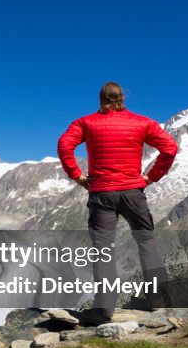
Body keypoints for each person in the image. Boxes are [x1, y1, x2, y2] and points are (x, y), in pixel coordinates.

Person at [56, 82, 178, 323]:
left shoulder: (85, 123)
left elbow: (64, 144)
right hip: (134, 192)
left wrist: (77, 176)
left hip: (102, 193)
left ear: (100, 99)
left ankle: (104, 310)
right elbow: (170, 148)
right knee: (147, 243)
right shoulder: (143, 123)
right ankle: (158, 301)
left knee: (103, 250)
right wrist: (152, 177)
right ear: (123, 97)